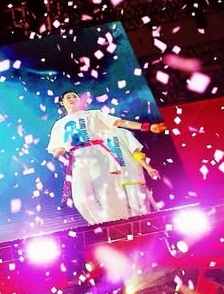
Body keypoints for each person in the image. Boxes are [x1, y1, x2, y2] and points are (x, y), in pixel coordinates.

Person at [46, 89, 167, 225]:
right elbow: (56, 146)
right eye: (68, 97)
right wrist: (59, 150)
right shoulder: (59, 124)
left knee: (108, 194)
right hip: (77, 159)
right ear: (62, 103)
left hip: (98, 154)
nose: (72, 99)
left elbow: (119, 122)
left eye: (75, 96)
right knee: (82, 198)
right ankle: (104, 224)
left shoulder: (93, 114)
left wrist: (146, 127)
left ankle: (119, 225)